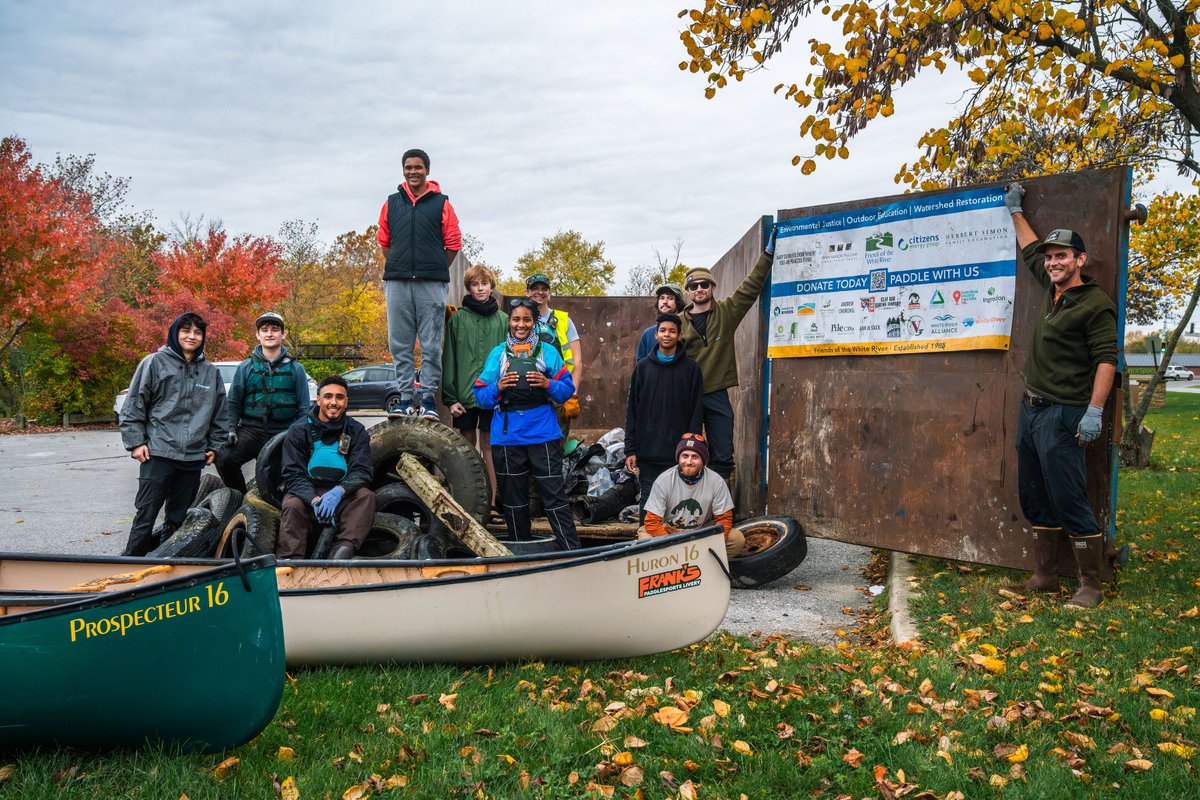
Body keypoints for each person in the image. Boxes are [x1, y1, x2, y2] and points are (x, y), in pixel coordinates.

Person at [1002, 183, 1118, 609]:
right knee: (1033, 492)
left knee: (1068, 494)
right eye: (1051, 257)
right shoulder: (1051, 285)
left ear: (1079, 260)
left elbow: (1107, 359)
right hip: (1031, 410)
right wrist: (1014, 210)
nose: (1053, 262)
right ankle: (1045, 576)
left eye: (1062, 256)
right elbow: (1030, 248)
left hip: (1064, 414)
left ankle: (1090, 585)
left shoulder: (1094, 304)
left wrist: (1094, 411)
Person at [473, 298, 580, 550]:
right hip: (507, 437)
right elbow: (479, 395)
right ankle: (520, 552)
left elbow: (566, 390)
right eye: (515, 319)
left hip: (543, 434)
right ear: (509, 322)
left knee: (554, 496)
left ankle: (573, 552)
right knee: (513, 500)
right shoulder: (498, 354)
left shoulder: (548, 352)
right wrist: (498, 386)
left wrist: (547, 384)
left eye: (526, 319)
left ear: (534, 323)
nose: (520, 325)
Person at [118, 313, 228, 556]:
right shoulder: (154, 363)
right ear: (175, 333)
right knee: (146, 515)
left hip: (192, 457)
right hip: (157, 452)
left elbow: (221, 414)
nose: (191, 336)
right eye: (185, 330)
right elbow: (134, 404)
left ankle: (167, 563)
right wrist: (136, 443)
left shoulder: (210, 373)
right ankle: (130, 565)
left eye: (197, 332)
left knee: (179, 518)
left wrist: (215, 445)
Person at [680, 230, 776, 479]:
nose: (699, 289)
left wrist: (767, 255)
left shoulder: (726, 313)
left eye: (703, 284)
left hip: (716, 393)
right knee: (688, 453)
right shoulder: (677, 323)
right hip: (688, 396)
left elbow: (750, 287)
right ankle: (690, 508)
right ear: (688, 292)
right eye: (693, 286)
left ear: (712, 287)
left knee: (722, 454)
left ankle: (722, 510)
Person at [377, 147, 462, 420]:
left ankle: (426, 399)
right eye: (408, 167)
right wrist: (403, 266)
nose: (413, 171)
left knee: (430, 344)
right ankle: (403, 399)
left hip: (431, 284)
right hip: (398, 283)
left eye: (418, 167)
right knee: (399, 344)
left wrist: (433, 268)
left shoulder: (442, 203)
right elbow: (384, 242)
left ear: (427, 170)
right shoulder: (391, 202)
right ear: (403, 170)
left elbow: (453, 243)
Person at [277, 375, 376, 560]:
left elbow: (362, 471)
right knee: (292, 505)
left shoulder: (357, 431)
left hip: (341, 494)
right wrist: (314, 499)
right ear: (319, 399)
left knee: (366, 497)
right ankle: (290, 560)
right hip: (306, 492)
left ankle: (342, 551)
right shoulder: (298, 430)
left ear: (346, 401)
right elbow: (292, 474)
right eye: (328, 396)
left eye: (339, 397)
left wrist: (338, 492)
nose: (334, 402)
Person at [215, 311, 309, 493]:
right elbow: (233, 402)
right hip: (251, 430)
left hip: (283, 431)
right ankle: (238, 498)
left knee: (276, 481)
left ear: (283, 334)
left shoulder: (296, 369)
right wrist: (231, 428)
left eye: (275, 329)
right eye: (264, 330)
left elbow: (303, 407)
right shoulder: (245, 367)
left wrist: (298, 435)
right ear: (258, 335)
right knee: (224, 458)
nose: (269, 334)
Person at [442, 264, 508, 516]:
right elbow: (450, 359)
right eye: (475, 284)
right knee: (466, 448)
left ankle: (491, 503)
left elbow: (507, 360)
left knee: (491, 446)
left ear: (491, 286)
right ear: (469, 287)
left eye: (484, 283)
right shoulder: (457, 319)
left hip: (494, 396)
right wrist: (450, 398)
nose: (480, 288)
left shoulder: (503, 320)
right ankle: (469, 501)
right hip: (464, 395)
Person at [624, 313, 704, 518]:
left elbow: (696, 411)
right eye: (662, 330)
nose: (667, 335)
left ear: (679, 335)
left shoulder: (691, 369)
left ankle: (675, 547)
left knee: (677, 504)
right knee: (649, 505)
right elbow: (632, 410)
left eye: (672, 331)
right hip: (648, 453)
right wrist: (630, 449)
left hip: (678, 453)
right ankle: (645, 545)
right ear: (656, 335)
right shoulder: (642, 368)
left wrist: (690, 448)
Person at [639, 433, 744, 558]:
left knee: (736, 539)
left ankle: (706, 564)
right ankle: (672, 567)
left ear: (703, 460)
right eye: (685, 456)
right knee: (644, 539)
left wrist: (710, 541)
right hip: (668, 531)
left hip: (700, 531)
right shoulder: (664, 480)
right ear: (678, 458)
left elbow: (724, 519)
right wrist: (676, 544)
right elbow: (652, 522)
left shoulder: (716, 481)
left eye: (695, 457)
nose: (688, 461)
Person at [524, 273, 582, 432]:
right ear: (526, 292)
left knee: (557, 447)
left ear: (549, 294)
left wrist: (573, 394)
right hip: (529, 395)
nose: (539, 292)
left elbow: (577, 361)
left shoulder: (564, 320)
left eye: (544, 289)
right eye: (535, 288)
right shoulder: (520, 320)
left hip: (558, 393)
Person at [635, 284, 684, 362]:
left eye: (670, 298)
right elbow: (640, 367)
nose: (665, 302)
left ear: (678, 302)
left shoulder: (687, 329)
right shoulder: (648, 334)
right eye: (662, 298)